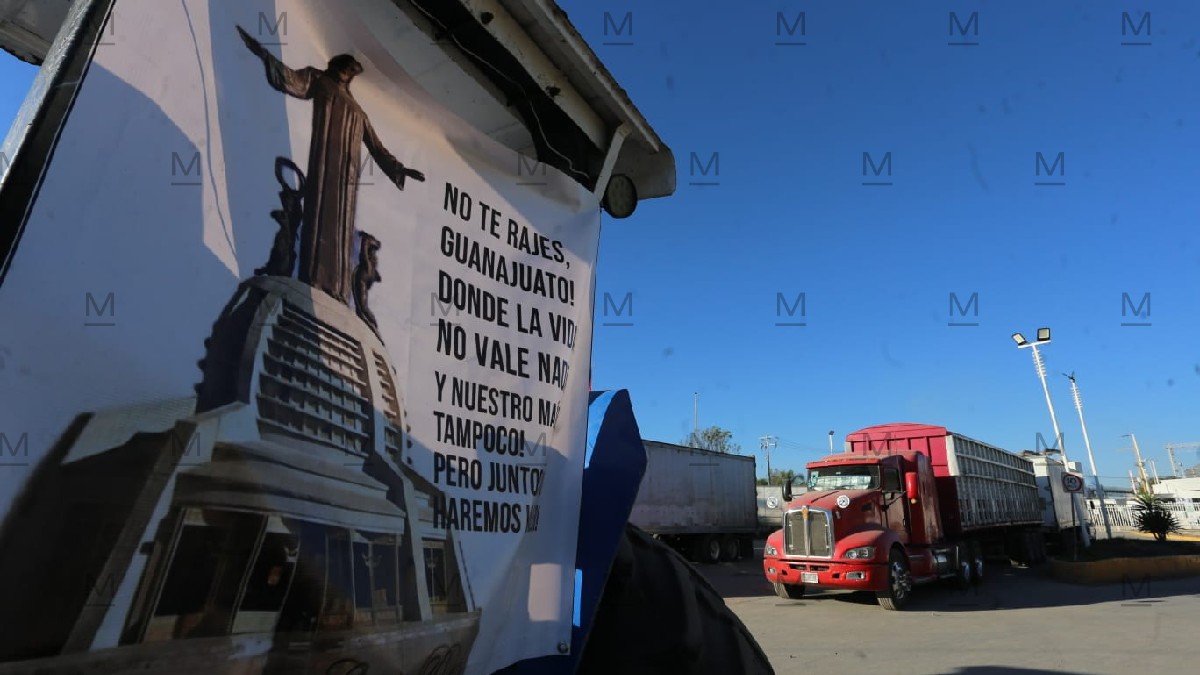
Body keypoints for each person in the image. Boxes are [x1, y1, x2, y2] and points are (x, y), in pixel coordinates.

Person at [237, 26, 425, 303]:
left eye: (350, 70)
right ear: (337, 67)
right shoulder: (319, 80)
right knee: (319, 216)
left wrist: (398, 168)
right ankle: (313, 278)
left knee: (341, 226)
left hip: (346, 178)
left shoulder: (358, 111)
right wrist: (266, 55)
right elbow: (291, 79)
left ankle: (334, 289)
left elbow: (376, 146)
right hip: (325, 164)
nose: (346, 72)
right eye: (346, 67)